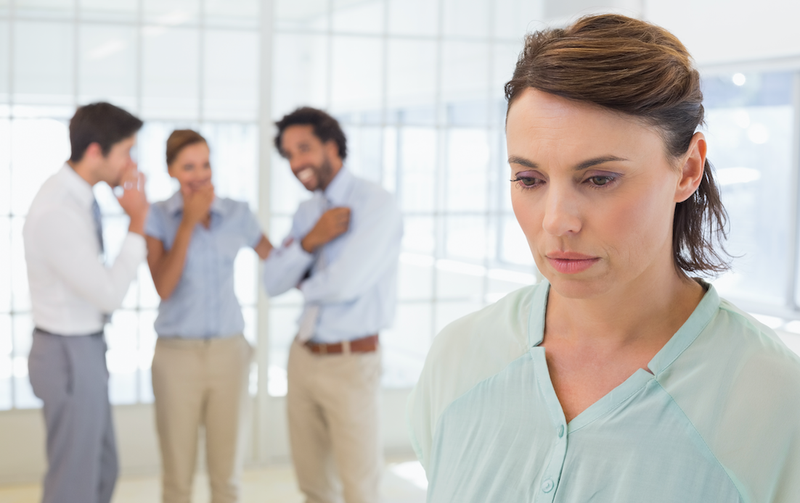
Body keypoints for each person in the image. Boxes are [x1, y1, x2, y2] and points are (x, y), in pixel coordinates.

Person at [407, 14, 800, 502]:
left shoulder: (777, 401)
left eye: (598, 179)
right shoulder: (459, 358)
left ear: (687, 169)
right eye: (529, 180)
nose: (556, 221)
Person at [263, 107, 403, 503]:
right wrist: (310, 241)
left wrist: (301, 279)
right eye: (289, 155)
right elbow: (272, 282)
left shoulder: (376, 204)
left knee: (360, 489)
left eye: (303, 148)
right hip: (303, 357)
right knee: (313, 487)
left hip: (351, 362)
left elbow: (345, 284)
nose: (296, 163)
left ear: (332, 145)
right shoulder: (308, 213)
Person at [23, 102, 147, 503]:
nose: (131, 164)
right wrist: (138, 220)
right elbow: (108, 293)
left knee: (101, 468)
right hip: (68, 351)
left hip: (83, 347)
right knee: (74, 480)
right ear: (96, 152)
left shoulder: (78, 197)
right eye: (126, 151)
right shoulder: (58, 209)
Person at [144, 129, 272, 503]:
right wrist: (188, 223)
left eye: (205, 164)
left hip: (229, 354)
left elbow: (278, 261)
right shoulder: (157, 217)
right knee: (177, 478)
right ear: (171, 171)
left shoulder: (237, 213)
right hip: (176, 357)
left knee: (227, 477)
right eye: (188, 167)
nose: (199, 175)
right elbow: (163, 286)